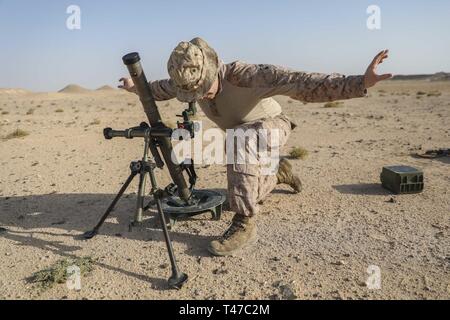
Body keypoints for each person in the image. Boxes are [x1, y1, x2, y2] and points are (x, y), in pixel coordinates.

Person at [119, 37, 392, 256]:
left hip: (273, 124)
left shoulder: (246, 75)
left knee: (240, 140)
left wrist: (359, 83)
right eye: (191, 93)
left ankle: (244, 222)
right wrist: (135, 87)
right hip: (244, 136)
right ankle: (278, 173)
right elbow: (161, 89)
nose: (199, 97)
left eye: (202, 88)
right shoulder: (186, 81)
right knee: (241, 171)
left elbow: (304, 82)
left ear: (213, 69)